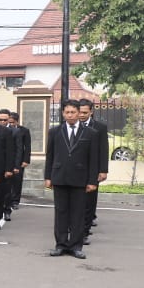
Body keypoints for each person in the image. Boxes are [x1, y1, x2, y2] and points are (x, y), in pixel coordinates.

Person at [45, 99, 99, 259]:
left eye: (73, 112)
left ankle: (76, 246)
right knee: (60, 212)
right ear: (63, 113)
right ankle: (61, 244)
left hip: (80, 179)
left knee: (78, 214)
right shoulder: (55, 132)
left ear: (78, 113)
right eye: (67, 112)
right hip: (59, 177)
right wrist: (48, 177)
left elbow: (93, 160)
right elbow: (50, 156)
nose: (70, 115)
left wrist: (92, 181)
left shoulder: (90, 133)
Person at [78, 99, 109, 244]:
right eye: (80, 112)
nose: (82, 115)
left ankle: (84, 231)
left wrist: (103, 170)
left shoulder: (99, 127)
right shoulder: (72, 125)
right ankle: (75, 228)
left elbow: (104, 149)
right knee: (76, 201)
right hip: (75, 169)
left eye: (85, 112)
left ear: (91, 112)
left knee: (89, 201)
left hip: (93, 170)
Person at [8, 111, 31, 209]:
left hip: (20, 160)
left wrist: (26, 160)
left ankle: (15, 201)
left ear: (17, 122)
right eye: (10, 122)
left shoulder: (24, 131)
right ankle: (7, 200)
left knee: (17, 181)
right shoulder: (6, 130)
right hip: (8, 160)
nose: (11, 124)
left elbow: (27, 146)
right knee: (8, 182)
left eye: (13, 122)